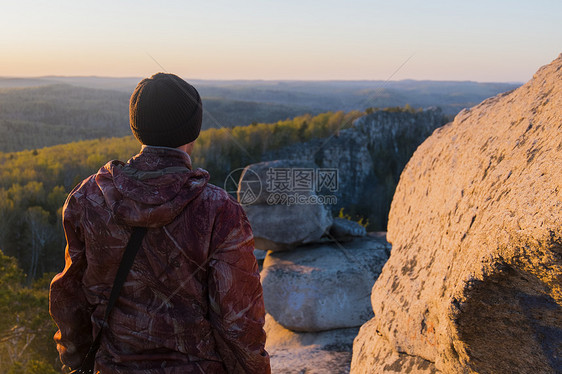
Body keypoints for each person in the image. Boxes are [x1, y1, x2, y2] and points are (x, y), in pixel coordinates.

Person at [49, 73, 271, 373]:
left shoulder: (88, 198)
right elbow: (240, 322)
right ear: (194, 130)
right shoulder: (219, 210)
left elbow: (69, 296)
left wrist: (78, 361)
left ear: (136, 127)